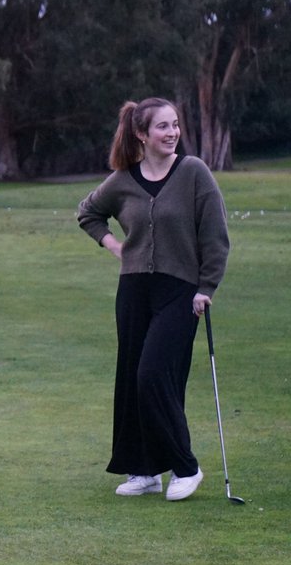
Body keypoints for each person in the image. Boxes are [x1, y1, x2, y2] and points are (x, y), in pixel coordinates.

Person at [77, 97, 230, 502]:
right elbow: (89, 212)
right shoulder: (124, 179)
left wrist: (206, 287)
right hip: (134, 291)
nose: (172, 132)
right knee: (132, 379)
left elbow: (215, 236)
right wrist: (115, 246)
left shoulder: (193, 172)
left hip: (181, 292)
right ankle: (143, 470)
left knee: (154, 375)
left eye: (175, 125)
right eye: (163, 126)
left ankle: (186, 467)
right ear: (141, 134)